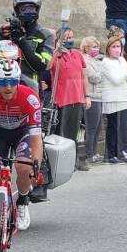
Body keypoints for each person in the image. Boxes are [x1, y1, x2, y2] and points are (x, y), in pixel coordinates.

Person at [0, 59, 44, 252]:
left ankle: (22, 200)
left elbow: (37, 138)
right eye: (3, 82)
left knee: (23, 167)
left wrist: (36, 165)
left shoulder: (30, 97)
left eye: (13, 81)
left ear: (18, 81)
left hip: (23, 133)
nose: (8, 86)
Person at [51, 27, 90, 170]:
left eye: (72, 37)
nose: (70, 40)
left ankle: (73, 162)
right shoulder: (55, 55)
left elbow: (83, 76)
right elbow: (47, 67)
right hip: (61, 99)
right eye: (67, 37)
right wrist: (56, 51)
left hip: (77, 98)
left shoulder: (78, 55)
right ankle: (60, 163)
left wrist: (87, 96)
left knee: (74, 134)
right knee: (60, 134)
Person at [98, 36, 127, 163]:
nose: (116, 49)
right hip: (113, 98)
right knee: (113, 126)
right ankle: (111, 154)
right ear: (108, 49)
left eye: (118, 46)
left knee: (122, 127)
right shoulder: (105, 62)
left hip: (124, 97)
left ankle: (121, 151)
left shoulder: (121, 59)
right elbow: (116, 80)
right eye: (113, 47)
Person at [81, 36, 105, 164]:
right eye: (93, 47)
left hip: (99, 96)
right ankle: (89, 153)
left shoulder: (97, 60)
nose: (96, 49)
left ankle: (94, 152)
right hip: (91, 95)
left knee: (98, 127)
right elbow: (94, 77)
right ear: (86, 47)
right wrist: (102, 72)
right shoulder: (85, 60)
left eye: (97, 47)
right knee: (91, 127)